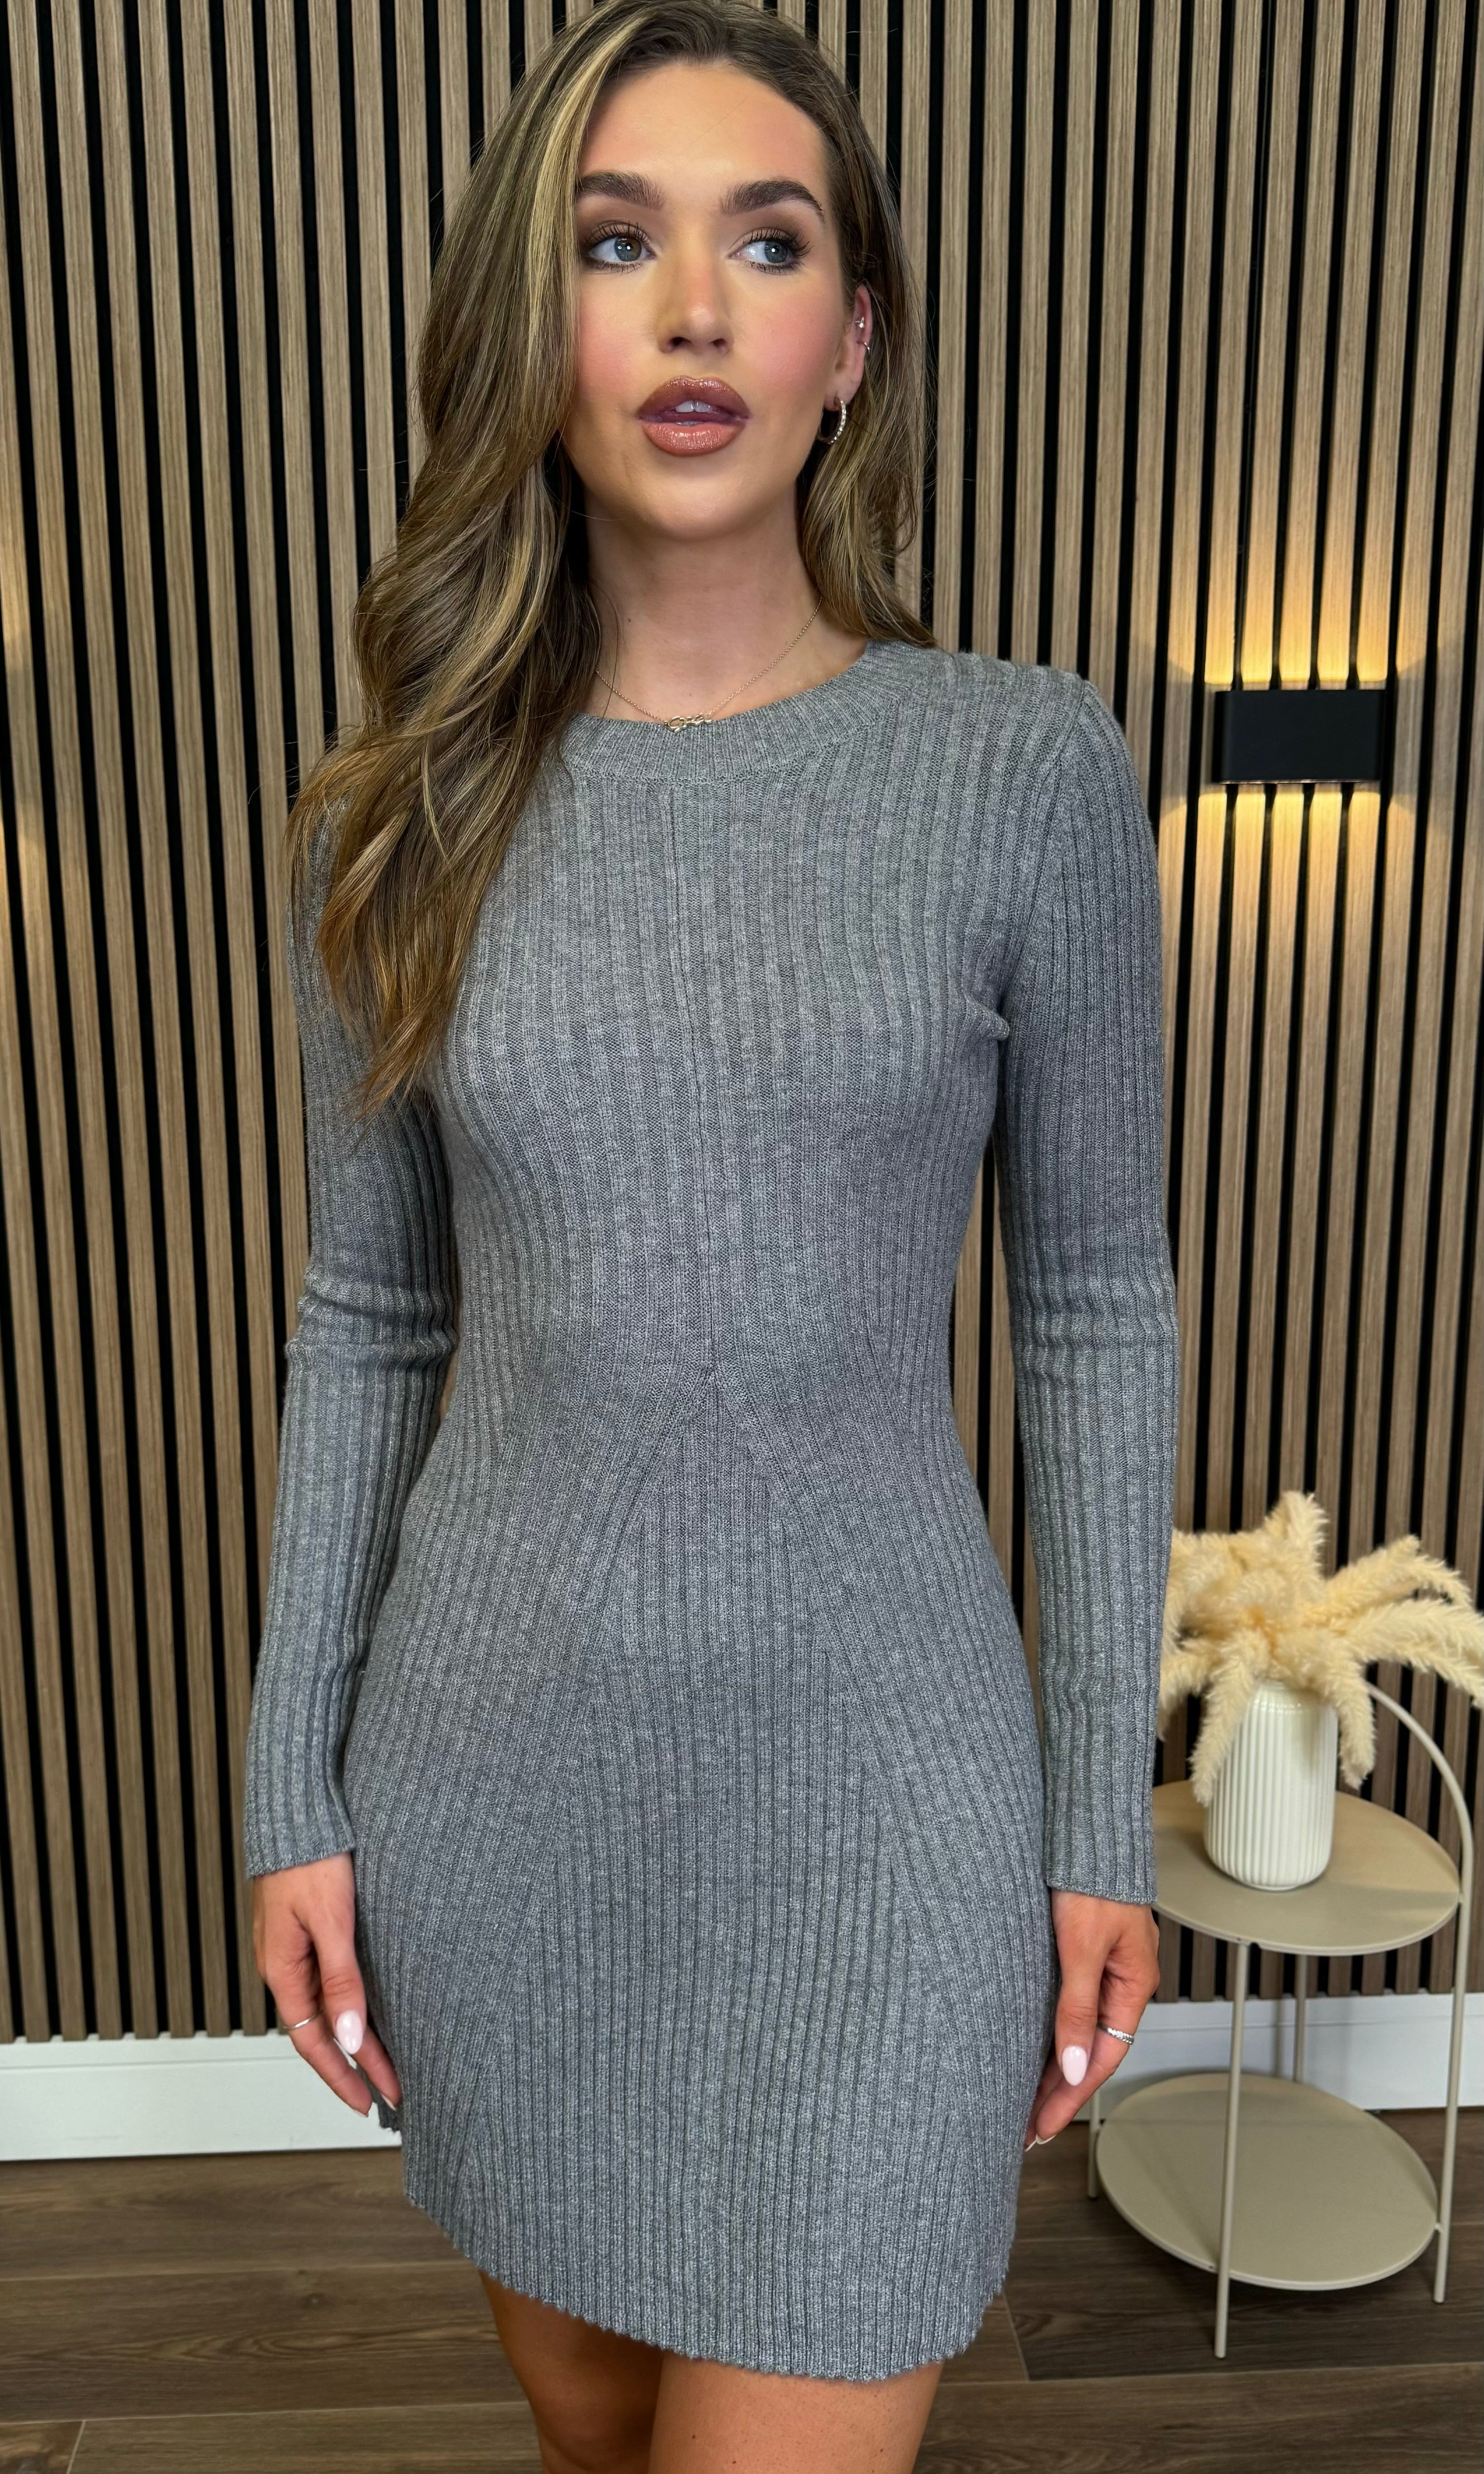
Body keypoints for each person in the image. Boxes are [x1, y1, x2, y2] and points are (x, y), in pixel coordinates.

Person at [242, 4, 1179, 2469]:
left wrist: (1097, 1814)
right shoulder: (404, 810)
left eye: (767, 244)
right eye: (612, 242)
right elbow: (368, 1315)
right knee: (592, 2426)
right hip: (500, 1789)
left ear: (850, 337)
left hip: (882, 1800)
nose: (690, 309)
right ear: (530, 323)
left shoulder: (1019, 769)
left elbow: (1097, 1313)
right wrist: (289, 1778)